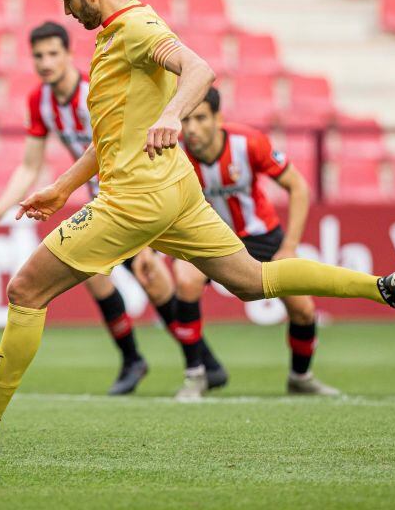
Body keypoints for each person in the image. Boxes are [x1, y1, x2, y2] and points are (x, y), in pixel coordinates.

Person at [0, 0, 395, 451]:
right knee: (253, 280)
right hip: (176, 190)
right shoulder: (118, 33)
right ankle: (388, 286)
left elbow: (199, 69)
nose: (66, 9)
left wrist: (173, 114)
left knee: (25, 292)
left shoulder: (138, 28)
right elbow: (114, 137)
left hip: (134, 200)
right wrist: (63, 187)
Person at [0, 21, 152, 395]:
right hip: (103, 200)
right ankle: (136, 360)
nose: (45, 62)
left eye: (53, 53)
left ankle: (200, 362)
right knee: (95, 276)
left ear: (70, 54)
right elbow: (29, 165)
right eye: (38, 55)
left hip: (135, 192)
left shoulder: (95, 92)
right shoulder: (39, 100)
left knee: (159, 280)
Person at [134, 87, 339, 399]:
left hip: (261, 237)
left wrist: (290, 246)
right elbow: (157, 204)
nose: (191, 128)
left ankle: (301, 377)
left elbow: (298, 187)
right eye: (185, 119)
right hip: (205, 238)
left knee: (303, 310)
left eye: (200, 118)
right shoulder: (173, 153)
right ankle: (195, 375)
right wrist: (147, 249)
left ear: (218, 118)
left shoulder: (249, 142)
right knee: (186, 278)